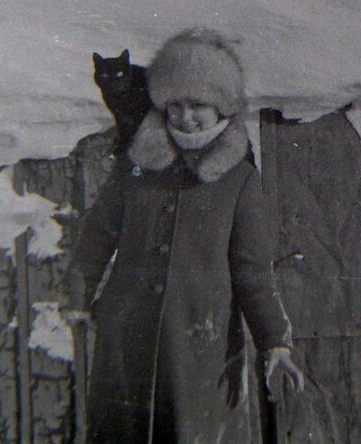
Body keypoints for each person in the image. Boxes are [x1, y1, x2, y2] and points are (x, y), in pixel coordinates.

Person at [64, 28, 304, 443]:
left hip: (198, 349)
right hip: (126, 344)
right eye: (174, 105)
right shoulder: (137, 166)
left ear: (222, 108)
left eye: (198, 106)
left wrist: (275, 343)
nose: (184, 117)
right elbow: (97, 234)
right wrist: (78, 295)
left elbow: (252, 272)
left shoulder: (239, 180)